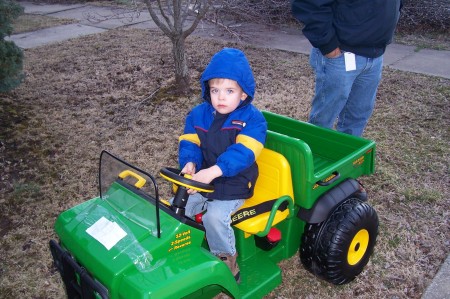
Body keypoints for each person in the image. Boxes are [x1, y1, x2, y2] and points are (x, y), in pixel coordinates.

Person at [177, 48, 267, 282]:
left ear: (244, 94)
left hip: (236, 181)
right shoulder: (198, 114)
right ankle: (184, 251)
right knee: (178, 206)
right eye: (215, 90)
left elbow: (243, 154)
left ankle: (226, 263)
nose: (221, 97)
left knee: (214, 217)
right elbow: (190, 143)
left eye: (229, 91)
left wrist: (213, 172)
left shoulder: (253, 120)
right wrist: (189, 164)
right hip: (206, 177)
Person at [291, 0, 402, 136]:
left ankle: (347, 155)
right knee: (324, 119)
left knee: (357, 117)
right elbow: (308, 4)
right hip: (340, 55)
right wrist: (328, 45)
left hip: (375, 55)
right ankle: (315, 153)